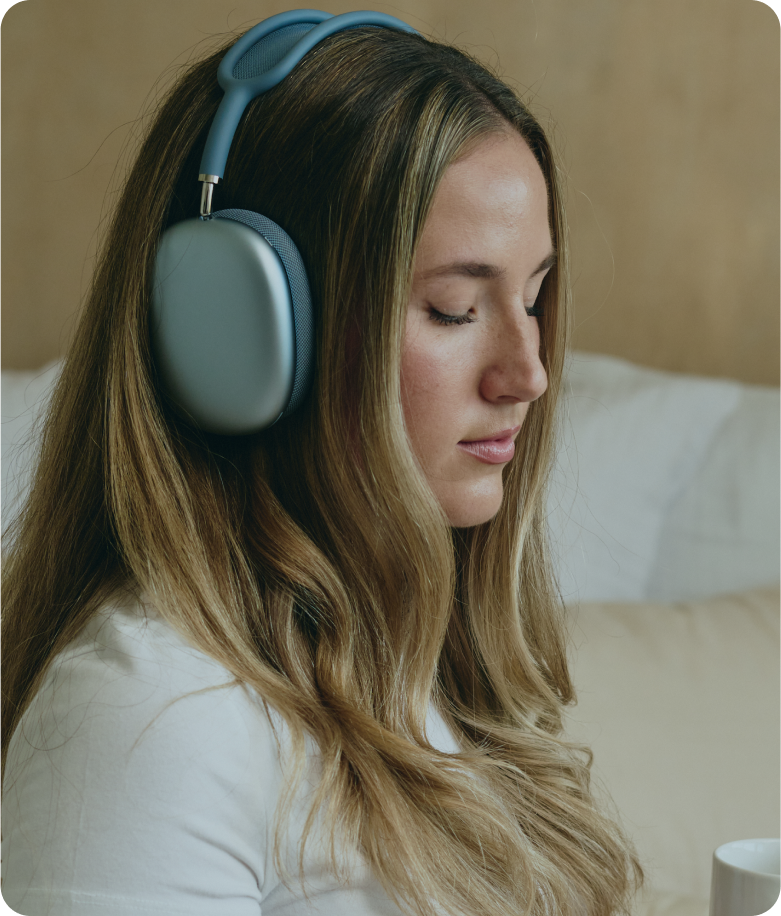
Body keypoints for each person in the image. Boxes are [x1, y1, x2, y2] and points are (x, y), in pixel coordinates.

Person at [0, 13, 645, 916]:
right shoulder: (147, 718)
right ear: (242, 334)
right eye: (456, 309)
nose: (528, 373)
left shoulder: (403, 667)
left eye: (534, 298)